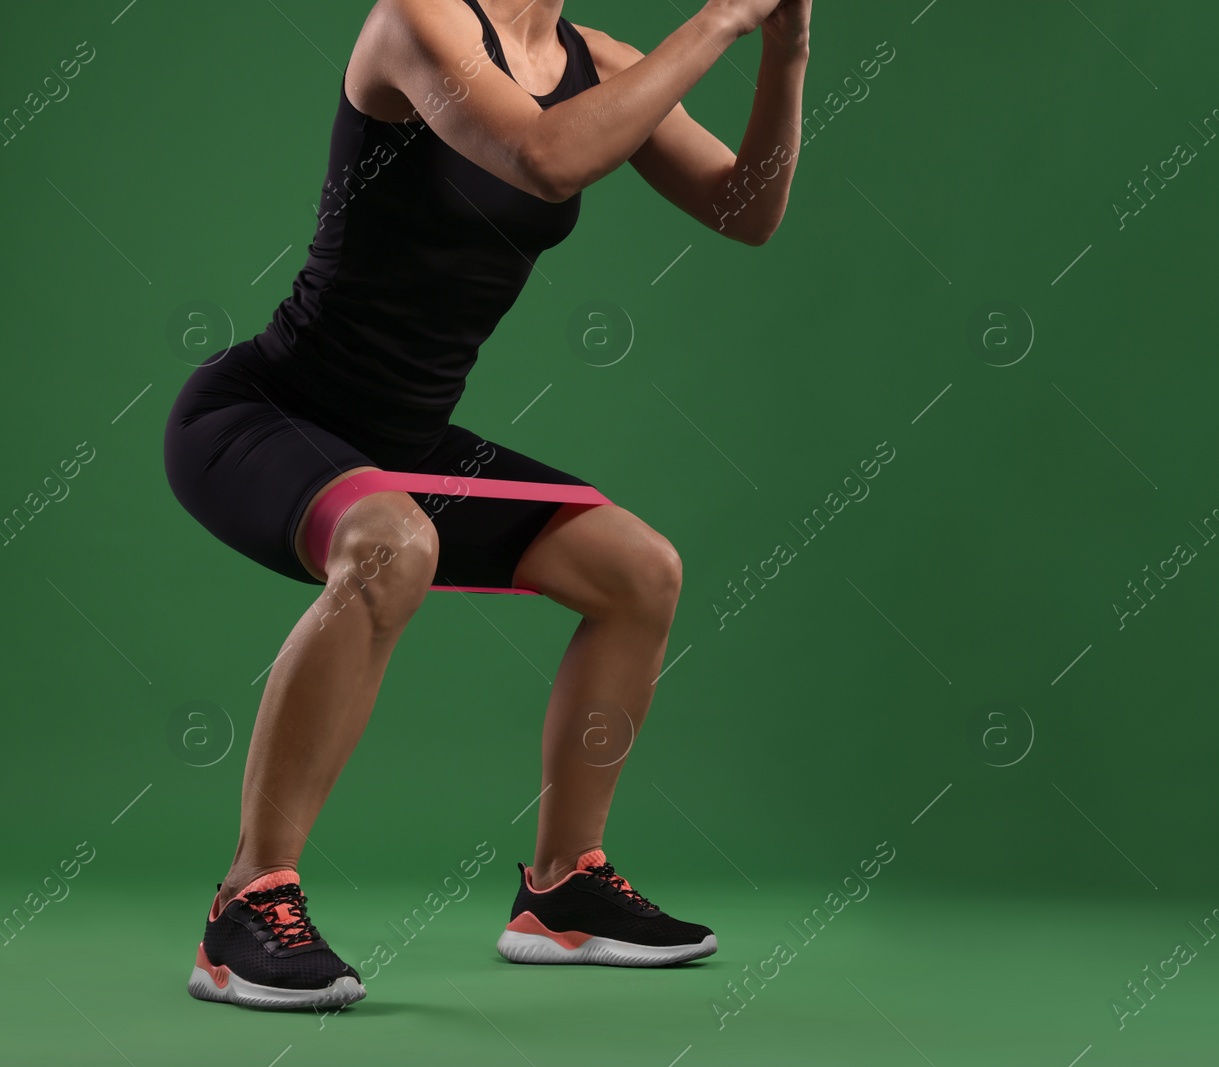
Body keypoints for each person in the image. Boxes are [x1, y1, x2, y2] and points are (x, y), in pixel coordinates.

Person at [165, 0, 809, 1010]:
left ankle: (564, 889)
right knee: (392, 544)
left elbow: (748, 208)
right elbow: (547, 158)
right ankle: (245, 905)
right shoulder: (419, 22)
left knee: (639, 569)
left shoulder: (599, 63)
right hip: (264, 416)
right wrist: (725, 20)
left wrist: (786, 48)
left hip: (406, 447)